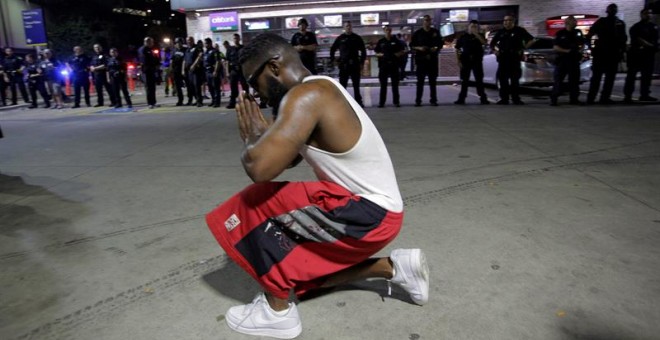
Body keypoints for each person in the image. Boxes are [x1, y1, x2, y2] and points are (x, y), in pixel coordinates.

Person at [206, 32, 428, 339]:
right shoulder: (319, 88)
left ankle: (277, 312)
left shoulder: (307, 96)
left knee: (253, 202)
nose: (255, 95)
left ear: (273, 67)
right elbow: (288, 159)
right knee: (303, 278)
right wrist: (268, 137)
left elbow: (260, 169)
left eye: (252, 83)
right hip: (377, 216)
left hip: (366, 212)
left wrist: (252, 138)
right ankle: (395, 268)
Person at [586, 3, 627, 105]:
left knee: (609, 78)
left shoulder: (619, 23)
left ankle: (604, 98)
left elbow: (623, 39)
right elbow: (589, 35)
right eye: (611, 9)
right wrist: (592, 48)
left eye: (614, 9)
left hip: (612, 54)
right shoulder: (601, 22)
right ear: (607, 11)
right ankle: (591, 98)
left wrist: (621, 52)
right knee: (597, 78)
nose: (612, 11)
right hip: (600, 54)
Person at [490, 15, 535, 105]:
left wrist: (523, 48)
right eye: (505, 20)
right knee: (503, 80)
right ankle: (504, 99)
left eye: (509, 20)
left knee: (514, 80)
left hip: (514, 58)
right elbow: (492, 43)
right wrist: (495, 51)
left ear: (513, 21)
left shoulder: (519, 31)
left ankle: (516, 99)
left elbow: (532, 40)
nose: (506, 22)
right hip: (503, 58)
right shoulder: (501, 32)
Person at [623, 8, 659, 103]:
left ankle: (645, 94)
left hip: (648, 55)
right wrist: (651, 46)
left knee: (646, 76)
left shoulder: (653, 27)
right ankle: (628, 96)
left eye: (650, 13)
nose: (648, 15)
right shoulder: (636, 27)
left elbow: (656, 40)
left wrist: (654, 47)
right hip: (636, 55)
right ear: (641, 15)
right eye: (646, 13)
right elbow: (638, 39)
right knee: (631, 76)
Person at [550, 16, 586, 106]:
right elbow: (555, 47)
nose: (576, 22)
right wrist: (567, 51)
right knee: (558, 81)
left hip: (574, 60)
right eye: (574, 21)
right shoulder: (560, 33)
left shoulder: (578, 32)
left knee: (574, 81)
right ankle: (554, 99)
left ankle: (574, 99)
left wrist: (581, 49)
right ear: (568, 22)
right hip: (563, 60)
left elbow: (582, 44)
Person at [330, 21, 367, 107]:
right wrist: (333, 60)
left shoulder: (357, 38)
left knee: (356, 85)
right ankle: (342, 102)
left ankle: (358, 102)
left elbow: (363, 51)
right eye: (346, 26)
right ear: (344, 27)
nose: (348, 27)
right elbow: (333, 49)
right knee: (343, 86)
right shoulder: (340, 38)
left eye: (349, 26)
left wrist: (361, 62)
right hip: (344, 65)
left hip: (355, 64)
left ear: (351, 27)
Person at [410, 15, 443, 107]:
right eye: (425, 20)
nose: (427, 22)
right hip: (421, 61)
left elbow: (440, 44)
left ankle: (433, 100)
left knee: (433, 82)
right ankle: (418, 101)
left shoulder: (435, 32)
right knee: (420, 82)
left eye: (429, 20)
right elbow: (412, 45)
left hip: (432, 60)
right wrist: (419, 48)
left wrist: (435, 48)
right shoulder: (418, 33)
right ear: (423, 21)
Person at [454, 20, 489, 105]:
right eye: (472, 26)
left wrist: (476, 34)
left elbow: (484, 43)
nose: (473, 28)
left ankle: (483, 98)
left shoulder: (480, 36)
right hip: (465, 60)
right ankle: (461, 98)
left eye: (475, 26)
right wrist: (458, 60)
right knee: (465, 80)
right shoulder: (463, 37)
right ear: (468, 27)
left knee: (479, 80)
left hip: (477, 61)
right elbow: (457, 49)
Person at [375, 25, 406, 108]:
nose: (388, 31)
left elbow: (403, 51)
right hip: (383, 66)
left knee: (395, 85)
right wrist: (380, 55)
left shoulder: (396, 41)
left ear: (391, 31)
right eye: (386, 30)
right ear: (384, 31)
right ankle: (381, 103)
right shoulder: (381, 41)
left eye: (389, 30)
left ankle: (396, 102)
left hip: (394, 65)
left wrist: (397, 54)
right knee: (383, 85)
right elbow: (376, 52)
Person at [226, 33, 249, 109]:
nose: (236, 40)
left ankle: (247, 102)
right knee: (233, 88)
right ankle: (232, 102)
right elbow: (227, 61)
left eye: (237, 38)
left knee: (244, 87)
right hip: (233, 70)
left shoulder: (243, 48)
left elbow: (246, 60)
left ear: (239, 39)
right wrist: (227, 72)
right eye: (234, 38)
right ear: (233, 40)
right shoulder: (230, 49)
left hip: (242, 70)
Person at [138, 37, 160, 109]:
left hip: (151, 70)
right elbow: (145, 61)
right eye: (151, 42)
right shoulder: (143, 49)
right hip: (146, 71)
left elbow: (154, 58)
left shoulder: (150, 49)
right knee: (148, 87)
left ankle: (153, 102)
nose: (152, 43)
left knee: (152, 87)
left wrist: (157, 64)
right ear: (147, 42)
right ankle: (150, 103)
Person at [203, 37, 223, 108]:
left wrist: (215, 71)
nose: (205, 45)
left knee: (216, 87)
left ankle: (217, 102)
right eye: (205, 43)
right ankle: (213, 100)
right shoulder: (206, 52)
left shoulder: (214, 51)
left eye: (206, 43)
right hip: (207, 71)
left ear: (210, 43)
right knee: (210, 88)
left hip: (212, 71)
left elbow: (218, 61)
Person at [182, 37, 202, 106]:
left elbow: (199, 56)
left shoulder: (197, 48)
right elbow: (184, 60)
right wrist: (183, 70)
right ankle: (196, 99)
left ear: (193, 40)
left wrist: (194, 65)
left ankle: (199, 101)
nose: (188, 42)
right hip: (188, 71)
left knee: (196, 85)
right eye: (187, 41)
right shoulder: (187, 49)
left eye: (190, 40)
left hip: (195, 70)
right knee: (191, 86)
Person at [171, 37, 186, 106]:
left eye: (179, 42)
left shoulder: (185, 50)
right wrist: (171, 69)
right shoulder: (174, 50)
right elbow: (171, 60)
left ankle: (191, 99)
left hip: (184, 70)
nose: (178, 44)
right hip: (176, 70)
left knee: (189, 85)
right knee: (177, 86)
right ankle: (180, 100)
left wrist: (183, 70)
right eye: (177, 43)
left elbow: (185, 60)